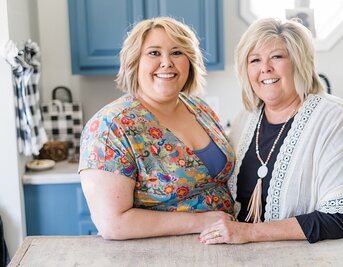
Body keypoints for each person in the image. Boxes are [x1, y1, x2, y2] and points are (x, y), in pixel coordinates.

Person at [199, 18, 343, 244]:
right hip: (242, 256)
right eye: (255, 60)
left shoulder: (333, 115)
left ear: (299, 62)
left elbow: (341, 218)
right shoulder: (245, 119)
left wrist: (249, 233)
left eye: (277, 57)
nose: (265, 68)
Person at [79, 17, 235, 240]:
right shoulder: (110, 127)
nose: (167, 62)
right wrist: (201, 222)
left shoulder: (199, 108)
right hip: (153, 254)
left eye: (177, 52)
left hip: (221, 248)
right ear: (135, 62)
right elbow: (113, 224)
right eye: (154, 53)